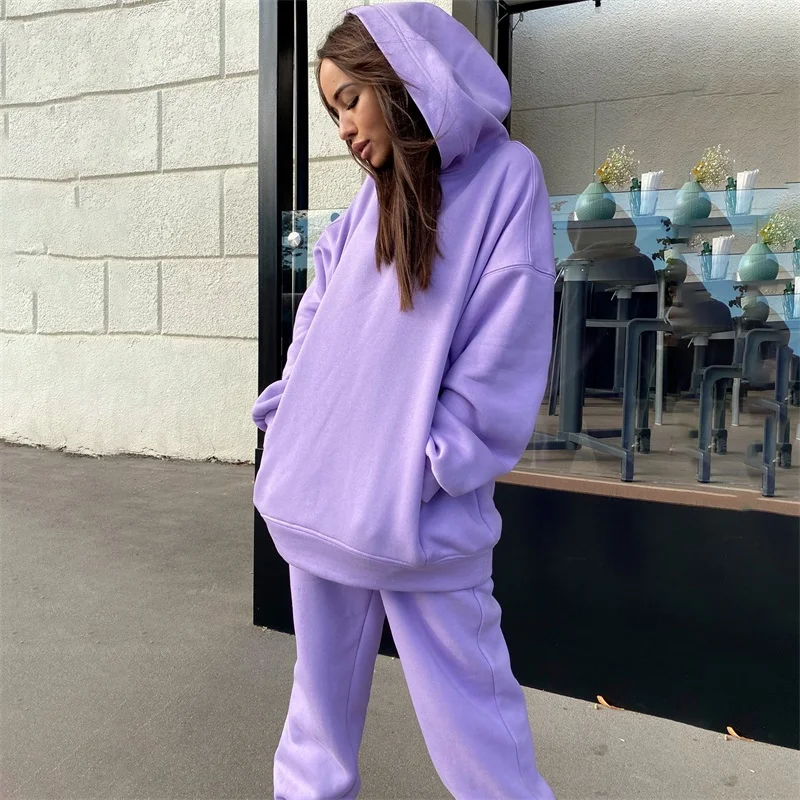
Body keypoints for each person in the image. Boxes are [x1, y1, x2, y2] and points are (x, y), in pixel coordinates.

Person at [252, 3, 556, 797]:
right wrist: (291, 417)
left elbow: (507, 344)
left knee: (479, 733)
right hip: (324, 497)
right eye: (332, 112)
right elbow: (317, 312)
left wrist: (431, 465)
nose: (343, 128)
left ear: (401, 76)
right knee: (315, 729)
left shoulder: (507, 177)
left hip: (420, 514)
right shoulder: (369, 203)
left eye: (350, 99)